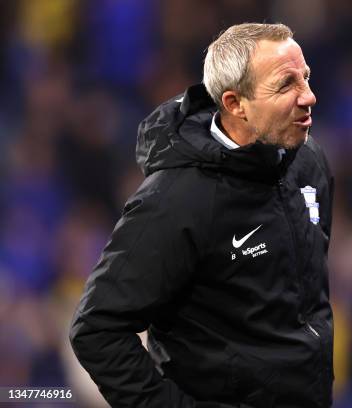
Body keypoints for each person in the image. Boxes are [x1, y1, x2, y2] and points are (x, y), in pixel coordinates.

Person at [69, 23, 334, 408]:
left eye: (305, 77)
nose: (308, 96)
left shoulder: (310, 163)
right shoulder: (175, 199)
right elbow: (96, 329)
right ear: (234, 104)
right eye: (285, 85)